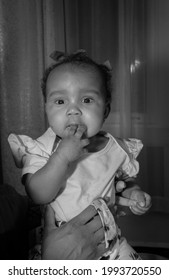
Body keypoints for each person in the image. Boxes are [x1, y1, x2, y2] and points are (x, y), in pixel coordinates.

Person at [8, 50, 151, 259]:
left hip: (110, 245)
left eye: (86, 99)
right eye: (60, 101)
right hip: (60, 245)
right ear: (46, 109)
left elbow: (122, 184)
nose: (73, 110)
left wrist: (135, 194)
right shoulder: (43, 148)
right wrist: (61, 157)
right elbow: (38, 194)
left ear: (106, 110)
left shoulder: (116, 148)